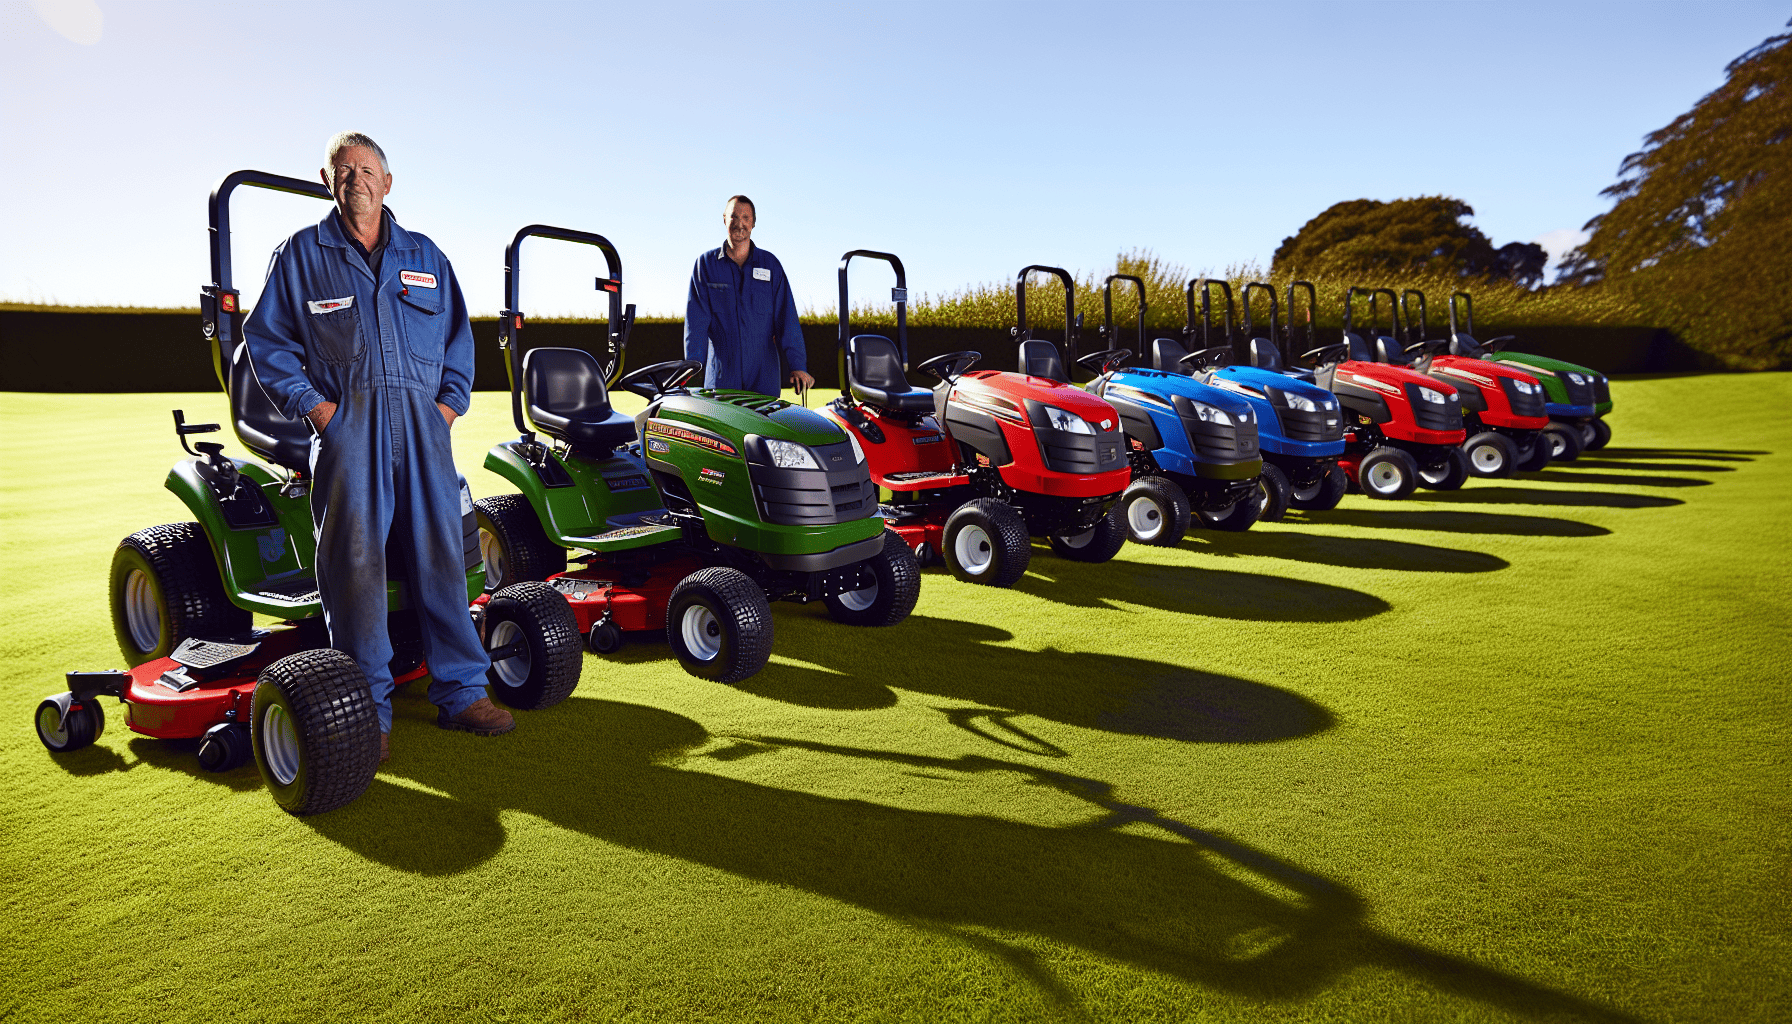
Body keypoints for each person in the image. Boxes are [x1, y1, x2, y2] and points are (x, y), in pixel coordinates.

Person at [244, 131, 510, 764]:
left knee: (444, 556)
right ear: (326, 179)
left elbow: (458, 342)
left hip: (423, 428)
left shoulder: (426, 257)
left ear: (388, 183)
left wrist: (446, 407)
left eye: (367, 169)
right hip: (349, 431)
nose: (356, 178)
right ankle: (367, 708)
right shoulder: (301, 257)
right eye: (344, 170)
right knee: (355, 569)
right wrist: (319, 411)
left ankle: (463, 690)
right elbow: (267, 341)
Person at [683, 195, 815, 397]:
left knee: (764, 428)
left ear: (754, 222)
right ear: (724, 219)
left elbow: (786, 318)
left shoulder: (771, 266)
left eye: (746, 217)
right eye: (734, 217)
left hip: (764, 375)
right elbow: (696, 323)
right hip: (721, 376)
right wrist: (691, 368)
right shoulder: (706, 265)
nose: (740, 224)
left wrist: (797, 365)